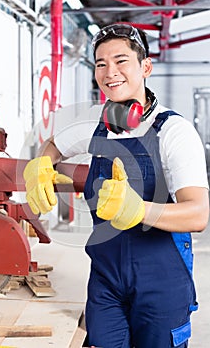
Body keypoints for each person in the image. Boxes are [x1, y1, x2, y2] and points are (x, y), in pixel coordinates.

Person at [23, 23, 209, 348]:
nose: (110, 72)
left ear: (145, 67)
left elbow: (198, 214)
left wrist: (137, 209)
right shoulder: (97, 124)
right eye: (101, 63)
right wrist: (42, 164)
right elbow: (53, 143)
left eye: (121, 60)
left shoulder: (174, 132)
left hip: (160, 282)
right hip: (106, 279)